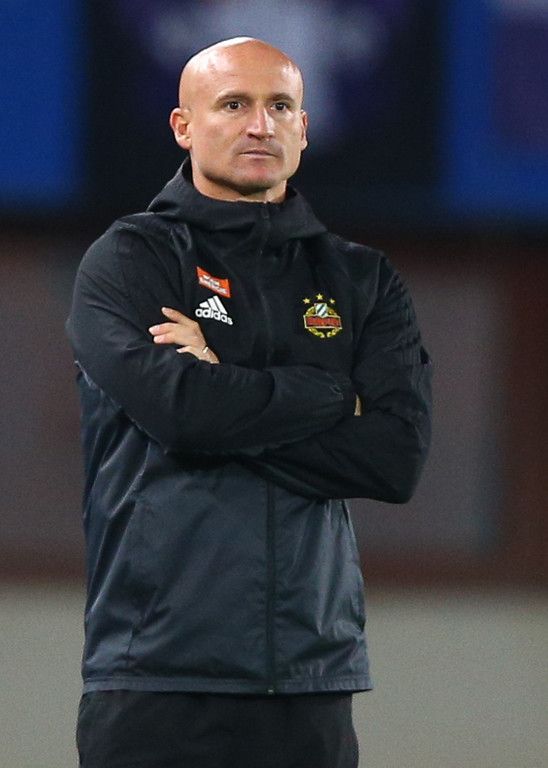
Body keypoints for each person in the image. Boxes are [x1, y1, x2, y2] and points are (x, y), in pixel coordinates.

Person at [67, 37, 432, 768]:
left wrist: (221, 382)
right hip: (157, 674)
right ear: (183, 125)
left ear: (304, 128)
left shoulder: (362, 280)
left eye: (280, 107)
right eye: (234, 104)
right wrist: (334, 394)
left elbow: (396, 459)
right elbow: (182, 413)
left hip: (310, 678)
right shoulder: (131, 260)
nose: (260, 125)